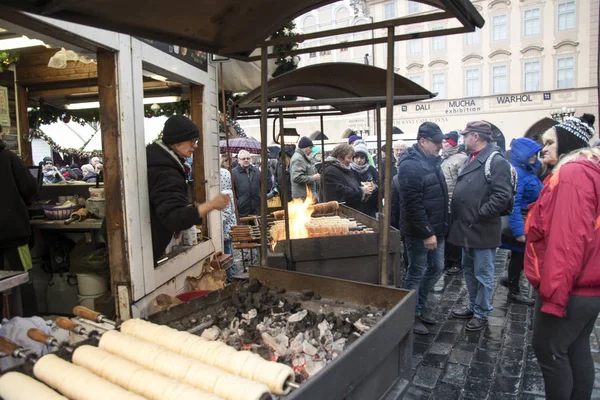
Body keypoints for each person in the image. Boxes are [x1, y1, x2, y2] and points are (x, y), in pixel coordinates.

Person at [525, 146, 600, 400]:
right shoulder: (586, 171)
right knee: (576, 347)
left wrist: (555, 298)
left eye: (550, 141)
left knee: (550, 351)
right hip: (587, 283)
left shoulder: (573, 174)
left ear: (568, 144)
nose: (543, 147)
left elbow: (567, 243)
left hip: (572, 287)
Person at [449, 121, 513, 331]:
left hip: (481, 229)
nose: (463, 139)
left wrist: (480, 214)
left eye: (466, 135)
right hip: (467, 228)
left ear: (475, 137)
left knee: (483, 273)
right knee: (469, 270)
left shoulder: (495, 161)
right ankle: (473, 305)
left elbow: (502, 195)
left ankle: (481, 312)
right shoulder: (473, 157)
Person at [147, 115, 229, 263]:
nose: (195, 145)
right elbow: (174, 217)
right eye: (192, 141)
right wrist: (211, 205)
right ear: (176, 143)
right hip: (142, 249)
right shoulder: (165, 170)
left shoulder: (159, 160)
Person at [396, 122, 448, 335]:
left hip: (437, 228)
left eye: (441, 142)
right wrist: (427, 232)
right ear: (423, 141)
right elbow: (412, 204)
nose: (440, 146)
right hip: (421, 231)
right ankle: (411, 315)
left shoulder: (432, 160)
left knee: (436, 267)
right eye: (436, 142)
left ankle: (419, 306)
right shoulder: (410, 165)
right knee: (416, 272)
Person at [497, 138, 543, 306]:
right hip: (522, 222)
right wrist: (518, 231)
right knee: (519, 257)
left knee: (520, 257)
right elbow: (514, 204)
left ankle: (510, 281)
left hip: (528, 220)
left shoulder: (527, 171)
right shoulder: (519, 173)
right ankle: (513, 290)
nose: (534, 157)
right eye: (531, 154)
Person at [0, 127, 39, 316]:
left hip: (10, 231)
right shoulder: (8, 158)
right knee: (22, 278)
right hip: (13, 233)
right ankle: (30, 324)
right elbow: (30, 188)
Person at [440, 131, 468, 276]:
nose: (443, 145)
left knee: (454, 234)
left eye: (446, 143)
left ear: (452, 144)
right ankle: (448, 260)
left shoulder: (461, 159)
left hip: (454, 202)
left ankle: (456, 262)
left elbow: (462, 182)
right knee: (447, 233)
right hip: (445, 202)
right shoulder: (443, 159)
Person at [323, 144, 373, 210]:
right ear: (339, 157)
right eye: (349, 158)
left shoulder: (344, 169)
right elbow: (339, 192)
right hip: (337, 212)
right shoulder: (330, 171)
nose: (351, 161)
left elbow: (351, 186)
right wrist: (362, 191)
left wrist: (365, 188)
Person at [232, 149, 273, 217]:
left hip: (256, 209)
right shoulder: (233, 173)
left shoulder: (256, 172)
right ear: (239, 160)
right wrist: (238, 203)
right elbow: (233, 191)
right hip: (242, 210)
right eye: (243, 159)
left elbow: (262, 188)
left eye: (248, 158)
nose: (246, 160)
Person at [220, 156, 239, 278]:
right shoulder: (228, 192)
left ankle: (231, 275)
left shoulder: (225, 194)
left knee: (228, 253)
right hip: (229, 227)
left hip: (226, 229)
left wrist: (218, 222)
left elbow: (225, 213)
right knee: (229, 251)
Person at [350, 142, 379, 217]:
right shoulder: (349, 170)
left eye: (362, 157)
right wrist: (362, 189)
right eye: (356, 157)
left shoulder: (371, 169)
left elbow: (380, 184)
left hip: (370, 207)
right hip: (354, 206)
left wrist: (374, 187)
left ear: (366, 158)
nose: (359, 160)